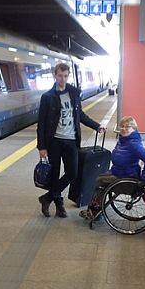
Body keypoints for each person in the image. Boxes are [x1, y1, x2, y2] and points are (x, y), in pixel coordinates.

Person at [37, 62, 105, 218]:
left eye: (65, 76)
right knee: (54, 175)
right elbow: (41, 124)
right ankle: (59, 205)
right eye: (60, 76)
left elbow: (80, 115)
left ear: (68, 76)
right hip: (54, 142)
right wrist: (41, 147)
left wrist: (96, 126)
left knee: (72, 173)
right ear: (55, 75)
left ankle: (47, 198)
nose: (63, 79)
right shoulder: (47, 97)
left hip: (71, 141)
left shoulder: (74, 93)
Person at [79, 116, 145, 220]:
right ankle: (95, 209)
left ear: (134, 129)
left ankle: (94, 211)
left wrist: (144, 180)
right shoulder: (123, 140)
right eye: (122, 126)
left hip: (127, 178)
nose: (123, 129)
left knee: (99, 180)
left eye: (127, 127)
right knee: (101, 178)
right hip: (120, 173)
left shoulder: (133, 144)